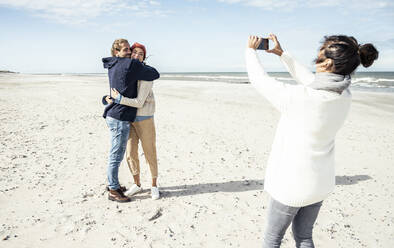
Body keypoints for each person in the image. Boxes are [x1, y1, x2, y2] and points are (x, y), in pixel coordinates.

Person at [245, 34, 378, 247]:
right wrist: (282, 54)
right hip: (319, 184)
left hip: (291, 186)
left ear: (326, 63)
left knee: (272, 239)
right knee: (304, 237)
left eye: (317, 59)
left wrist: (251, 51)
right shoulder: (344, 95)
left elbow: (260, 81)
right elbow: (313, 81)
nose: (315, 63)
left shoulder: (301, 98)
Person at [102, 39, 160, 203]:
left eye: (140, 54)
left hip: (144, 117)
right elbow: (117, 86)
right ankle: (137, 183)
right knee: (130, 153)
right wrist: (107, 98)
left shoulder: (145, 74)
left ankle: (154, 185)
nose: (135, 55)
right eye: (133, 52)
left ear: (144, 57)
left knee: (150, 152)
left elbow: (139, 102)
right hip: (128, 118)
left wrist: (118, 98)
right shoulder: (127, 68)